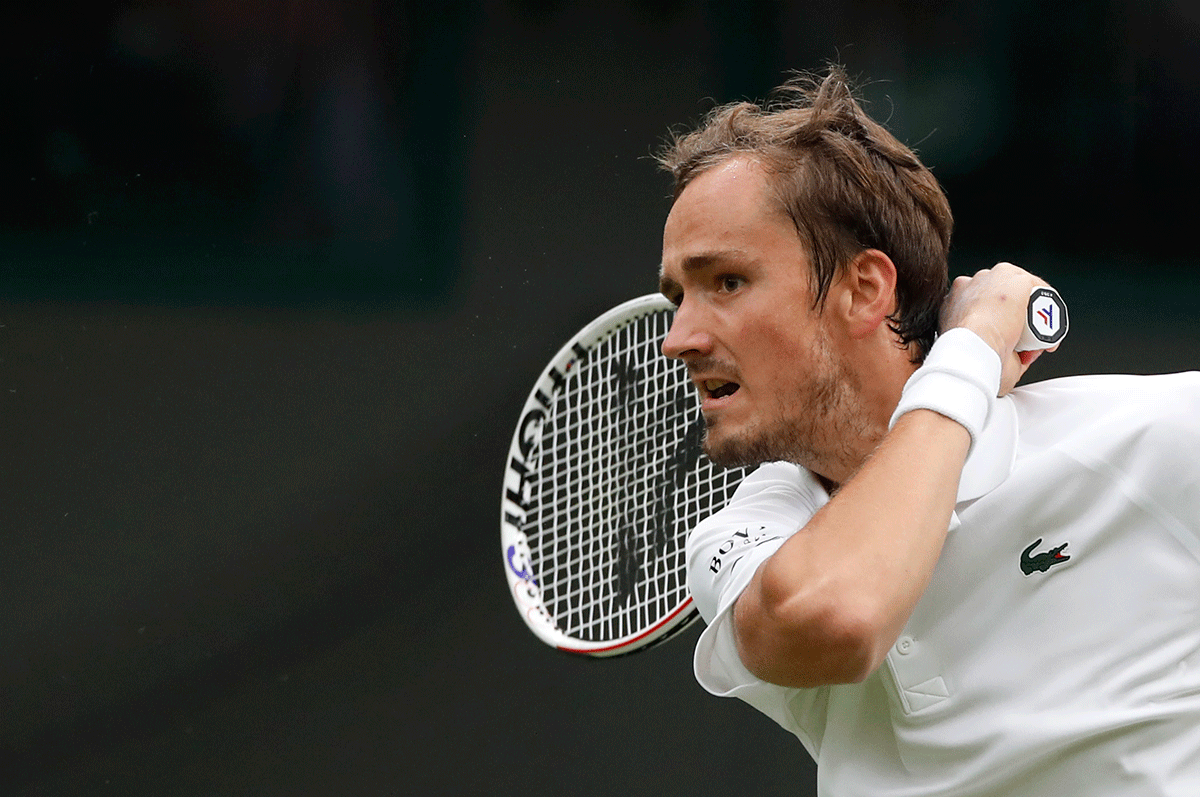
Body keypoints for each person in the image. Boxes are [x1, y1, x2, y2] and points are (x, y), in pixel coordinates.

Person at [655, 65, 1200, 796]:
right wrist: (973, 350)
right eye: (677, 296)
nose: (679, 337)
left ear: (865, 288)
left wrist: (967, 360)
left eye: (725, 282)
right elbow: (840, 613)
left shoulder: (1157, 436)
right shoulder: (746, 537)